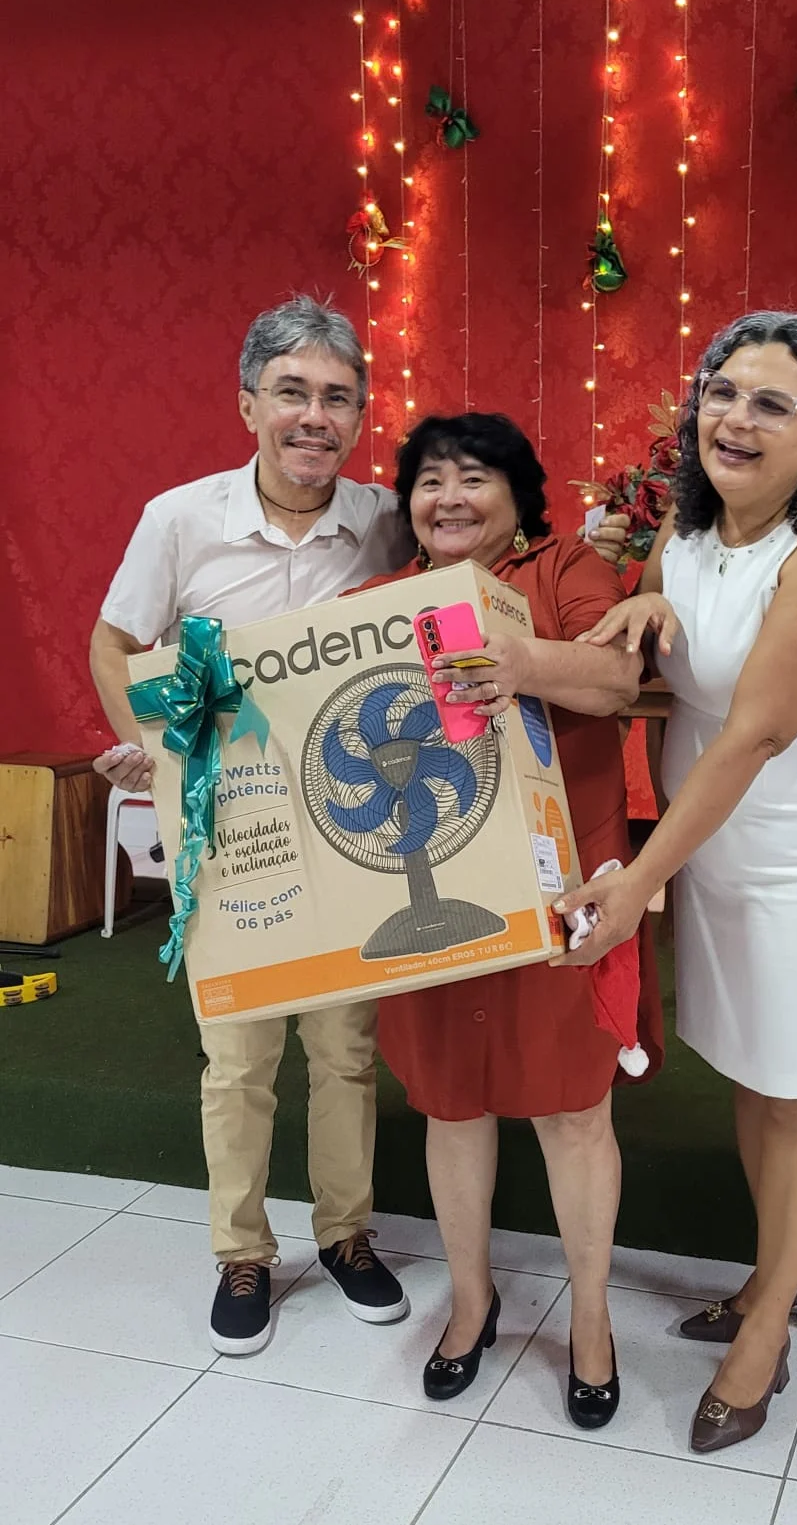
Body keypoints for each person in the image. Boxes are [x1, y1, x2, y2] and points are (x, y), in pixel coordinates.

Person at [89, 294, 631, 1357]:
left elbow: (478, 577)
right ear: (248, 404)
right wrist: (156, 753)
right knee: (236, 1057)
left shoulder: (387, 518)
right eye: (291, 392)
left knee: (345, 1050)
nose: (314, 415)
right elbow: (116, 645)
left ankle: (345, 1234)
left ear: (359, 415)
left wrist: (625, 575)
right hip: (237, 829)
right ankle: (242, 1251)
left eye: (337, 397)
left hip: (364, 837)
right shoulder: (179, 519)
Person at [556, 311, 797, 1455]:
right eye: (721, 392)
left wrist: (635, 883)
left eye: (771, 403)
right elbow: (663, 641)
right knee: (758, 1072)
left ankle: (766, 1332)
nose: (735, 419)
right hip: (718, 844)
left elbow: (753, 733)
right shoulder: (690, 526)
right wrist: (645, 599)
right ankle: (780, 1271)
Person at [347, 412, 664, 1430]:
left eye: (474, 477)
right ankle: (472, 1300)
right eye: (429, 479)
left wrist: (521, 661)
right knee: (450, 1104)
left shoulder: (567, 570)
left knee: (574, 1110)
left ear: (521, 497)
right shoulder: (378, 604)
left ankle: (591, 1319)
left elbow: (617, 681)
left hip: (564, 889)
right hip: (427, 897)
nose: (448, 497)